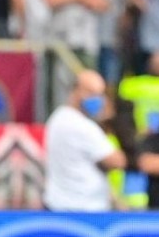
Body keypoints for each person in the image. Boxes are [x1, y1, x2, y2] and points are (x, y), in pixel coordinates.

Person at [43, 70, 127, 211]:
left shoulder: (57, 117)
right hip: (82, 209)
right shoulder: (82, 126)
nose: (99, 99)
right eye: (92, 93)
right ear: (76, 91)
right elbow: (117, 161)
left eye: (101, 94)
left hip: (59, 204)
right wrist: (109, 124)